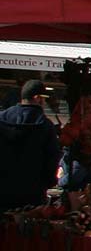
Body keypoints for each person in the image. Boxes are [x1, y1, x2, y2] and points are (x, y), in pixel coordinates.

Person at [0, 80, 60, 210]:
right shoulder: (45, 126)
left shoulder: (1, 119)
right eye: (44, 99)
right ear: (37, 98)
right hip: (33, 192)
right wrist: (49, 182)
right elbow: (52, 157)